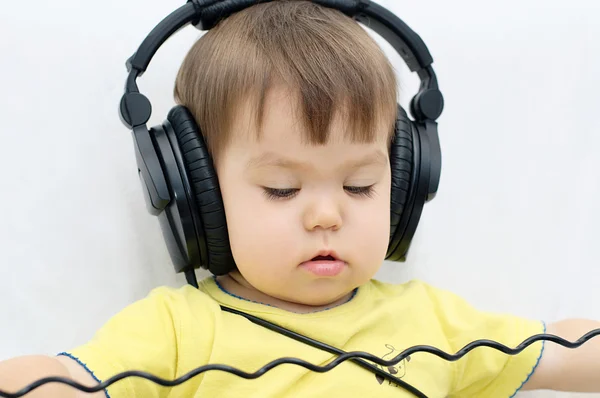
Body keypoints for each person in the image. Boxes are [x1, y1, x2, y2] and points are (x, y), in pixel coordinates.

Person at [1, 1, 599, 397]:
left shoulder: (434, 321)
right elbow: (67, 380)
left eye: (361, 186)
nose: (326, 215)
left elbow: (564, 351)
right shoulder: (177, 330)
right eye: (283, 189)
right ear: (193, 192)